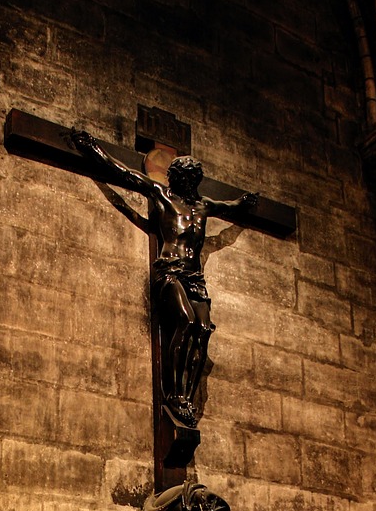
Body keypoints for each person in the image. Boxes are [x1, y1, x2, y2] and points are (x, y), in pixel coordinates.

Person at [69, 128, 257, 428]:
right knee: (186, 322)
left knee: (204, 330)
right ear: (175, 177)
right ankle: (173, 395)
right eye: (183, 176)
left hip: (195, 278)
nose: (186, 181)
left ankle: (187, 395)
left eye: (192, 177)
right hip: (169, 271)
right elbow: (127, 173)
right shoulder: (162, 196)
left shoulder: (203, 206)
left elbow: (231, 207)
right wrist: (94, 151)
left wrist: (246, 202)